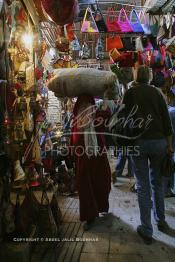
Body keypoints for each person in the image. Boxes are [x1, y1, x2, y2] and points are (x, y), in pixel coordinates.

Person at [123, 65, 173, 244]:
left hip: (139, 143)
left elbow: (124, 119)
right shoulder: (157, 93)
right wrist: (169, 145)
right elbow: (167, 121)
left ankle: (146, 230)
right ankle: (160, 220)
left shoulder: (130, 93)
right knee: (157, 183)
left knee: (143, 186)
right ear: (150, 77)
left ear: (137, 76)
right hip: (159, 142)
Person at [70, 95, 111, 230]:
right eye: (83, 107)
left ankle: (98, 209)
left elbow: (105, 115)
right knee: (86, 186)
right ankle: (90, 216)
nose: (86, 110)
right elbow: (73, 140)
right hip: (84, 159)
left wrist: (105, 100)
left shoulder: (95, 117)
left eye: (88, 106)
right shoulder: (77, 121)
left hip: (96, 158)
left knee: (100, 182)